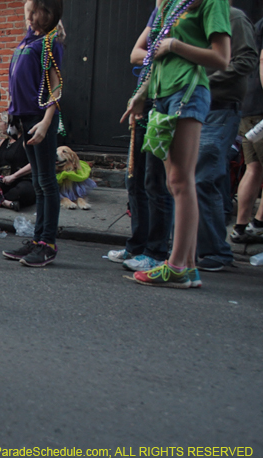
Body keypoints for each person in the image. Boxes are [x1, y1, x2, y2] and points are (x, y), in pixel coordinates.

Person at [122, 0, 231, 288]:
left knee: (181, 182)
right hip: (162, 95)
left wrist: (174, 46)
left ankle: (177, 265)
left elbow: (222, 58)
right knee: (175, 182)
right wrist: (142, 93)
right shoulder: (169, 4)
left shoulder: (210, 2)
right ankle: (189, 267)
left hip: (188, 91)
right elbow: (152, 58)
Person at [108, 2, 175, 273]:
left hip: (165, 99)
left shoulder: (181, 12)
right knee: (134, 179)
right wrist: (160, 52)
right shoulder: (158, 12)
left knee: (156, 181)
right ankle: (137, 245)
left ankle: (157, 251)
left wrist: (164, 50)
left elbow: (149, 54)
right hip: (143, 102)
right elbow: (135, 53)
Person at [1, 0, 64, 268]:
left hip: (40, 119)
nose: (28, 11)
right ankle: (38, 240)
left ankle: (47, 244)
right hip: (25, 119)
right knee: (38, 182)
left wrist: (47, 121)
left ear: (45, 13)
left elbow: (56, 87)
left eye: (33, 8)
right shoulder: (30, 39)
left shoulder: (50, 43)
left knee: (47, 182)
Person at [195, 2, 257, 272]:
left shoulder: (234, 17)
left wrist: (206, 80)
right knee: (201, 179)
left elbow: (246, 59)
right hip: (192, 107)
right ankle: (201, 248)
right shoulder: (193, 18)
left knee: (202, 178)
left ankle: (216, 252)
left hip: (219, 109)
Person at [231, 17, 263, 244]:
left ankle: (240, 227)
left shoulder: (257, 24)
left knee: (253, 168)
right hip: (259, 107)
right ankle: (258, 225)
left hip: (248, 103)